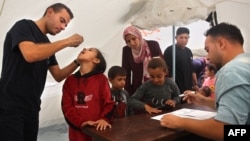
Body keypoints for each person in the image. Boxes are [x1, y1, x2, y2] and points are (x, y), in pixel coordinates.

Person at [0, 3, 83, 141]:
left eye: (66, 26)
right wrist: (67, 41)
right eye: (62, 20)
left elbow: (58, 75)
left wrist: (77, 62)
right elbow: (30, 54)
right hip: (10, 107)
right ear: (49, 12)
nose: (63, 28)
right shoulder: (24, 26)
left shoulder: (47, 43)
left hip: (32, 109)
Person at [160, 22, 250, 140]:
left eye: (208, 50)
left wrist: (181, 122)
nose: (207, 57)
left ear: (221, 44)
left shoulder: (231, 71)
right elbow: (241, 109)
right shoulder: (246, 63)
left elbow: (226, 131)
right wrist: (205, 101)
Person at [61, 47, 115, 141]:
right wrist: (81, 123)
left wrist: (104, 119)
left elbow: (109, 103)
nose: (85, 48)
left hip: (98, 130)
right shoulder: (70, 80)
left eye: (90, 50)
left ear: (96, 60)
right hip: (77, 133)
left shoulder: (101, 79)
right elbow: (67, 107)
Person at [122, 25, 163, 96]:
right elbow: (126, 72)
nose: (132, 43)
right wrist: (129, 93)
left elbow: (162, 66)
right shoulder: (127, 50)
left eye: (134, 39)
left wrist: (165, 85)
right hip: (138, 89)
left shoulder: (153, 45)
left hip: (156, 84)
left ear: (139, 36)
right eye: (128, 41)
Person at [163, 27, 198, 94]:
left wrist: (196, 84)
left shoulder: (188, 51)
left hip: (188, 85)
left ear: (188, 38)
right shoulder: (170, 50)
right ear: (176, 38)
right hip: (175, 85)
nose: (184, 40)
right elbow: (166, 70)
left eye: (186, 38)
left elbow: (192, 69)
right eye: (181, 37)